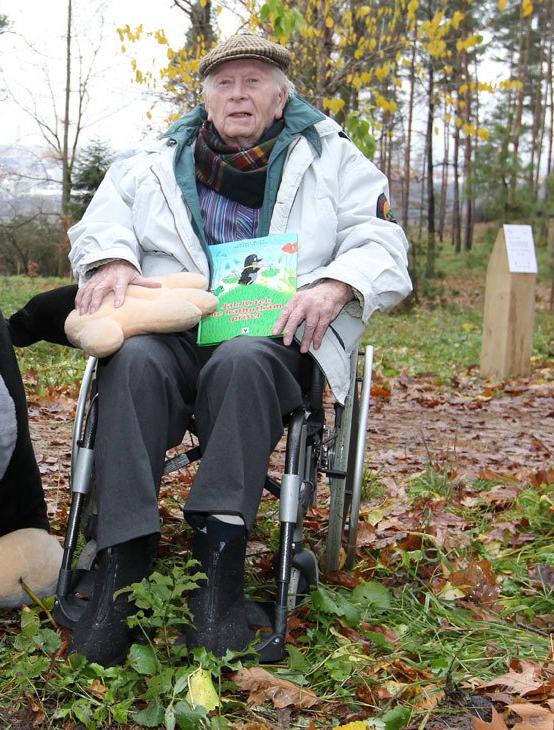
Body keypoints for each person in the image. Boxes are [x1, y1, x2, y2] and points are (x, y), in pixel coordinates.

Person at [65, 34, 412, 666]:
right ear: (205, 97)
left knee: (243, 359)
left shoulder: (331, 157)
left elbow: (381, 239)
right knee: (133, 361)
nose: (238, 94)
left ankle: (218, 573)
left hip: (272, 336)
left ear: (281, 98)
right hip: (172, 330)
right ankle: (123, 564)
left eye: (254, 82)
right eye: (225, 83)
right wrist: (111, 259)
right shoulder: (152, 159)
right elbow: (102, 221)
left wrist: (336, 284)